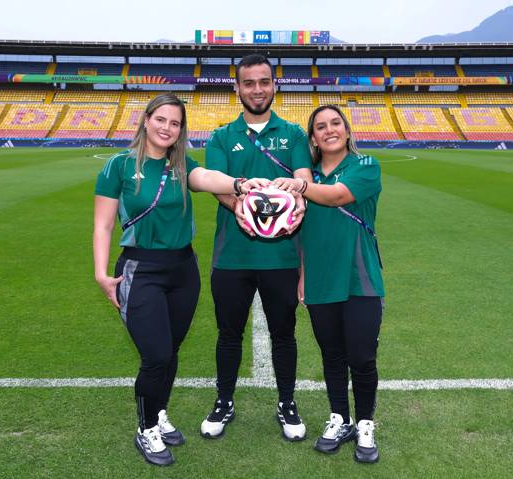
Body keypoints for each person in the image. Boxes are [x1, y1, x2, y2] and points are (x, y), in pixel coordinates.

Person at [93, 93, 266, 466]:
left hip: (183, 270)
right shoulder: (117, 166)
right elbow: (103, 223)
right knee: (155, 355)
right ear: (146, 120)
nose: (167, 128)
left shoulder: (181, 164)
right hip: (141, 270)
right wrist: (101, 274)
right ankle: (146, 428)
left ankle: (158, 413)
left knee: (170, 352)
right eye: (161, 120)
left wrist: (238, 183)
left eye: (175, 123)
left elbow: (205, 177)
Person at [200, 53, 313, 442]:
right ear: (237, 88)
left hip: (282, 256)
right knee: (228, 333)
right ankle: (224, 401)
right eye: (248, 83)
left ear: (274, 85)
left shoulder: (295, 134)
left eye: (264, 81)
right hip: (232, 256)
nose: (257, 89)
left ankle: (287, 403)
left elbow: (302, 175)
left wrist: (295, 190)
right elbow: (217, 185)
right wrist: (249, 208)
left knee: (285, 333)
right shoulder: (220, 136)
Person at [274, 104, 385, 463]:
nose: (329, 130)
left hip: (360, 277)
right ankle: (341, 418)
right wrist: (304, 275)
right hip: (321, 280)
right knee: (332, 356)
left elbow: (338, 196)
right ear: (314, 139)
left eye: (335, 123)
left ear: (347, 131)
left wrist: (301, 186)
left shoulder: (366, 166)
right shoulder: (307, 178)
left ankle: (366, 423)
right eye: (320, 127)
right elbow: (304, 235)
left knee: (362, 357)